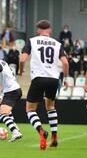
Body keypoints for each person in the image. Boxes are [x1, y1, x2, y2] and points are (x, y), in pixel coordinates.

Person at [19, 20, 69, 150]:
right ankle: (54, 136)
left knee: (30, 109)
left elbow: (22, 59)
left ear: (38, 30)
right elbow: (65, 63)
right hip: (53, 79)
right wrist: (66, 79)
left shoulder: (32, 41)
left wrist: (20, 70)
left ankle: (41, 131)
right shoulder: (58, 44)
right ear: (50, 30)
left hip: (39, 78)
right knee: (51, 107)